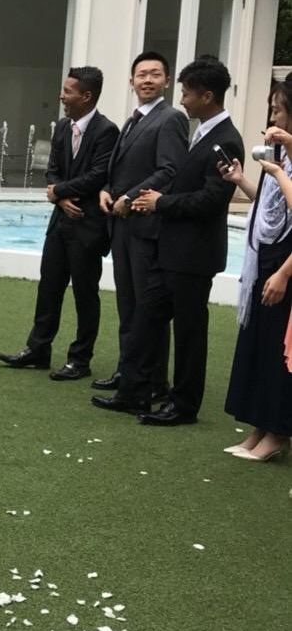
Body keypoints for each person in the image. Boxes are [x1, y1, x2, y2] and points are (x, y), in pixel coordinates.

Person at [95, 57, 244, 425]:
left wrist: (161, 202)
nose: (182, 99)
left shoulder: (226, 140)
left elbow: (213, 200)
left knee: (190, 333)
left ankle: (184, 406)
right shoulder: (203, 132)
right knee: (146, 320)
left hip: (195, 256)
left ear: (207, 96)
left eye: (187, 93)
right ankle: (134, 392)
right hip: (171, 250)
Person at [0, 66, 119, 380]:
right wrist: (59, 198)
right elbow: (52, 169)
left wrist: (59, 191)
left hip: (87, 226)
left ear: (86, 96)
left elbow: (99, 175)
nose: (61, 96)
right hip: (60, 222)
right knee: (49, 287)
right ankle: (38, 349)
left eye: (67, 91)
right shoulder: (63, 127)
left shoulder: (107, 131)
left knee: (85, 294)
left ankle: (80, 360)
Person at [92, 50, 188, 397]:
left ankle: (154, 382)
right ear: (131, 81)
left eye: (155, 74)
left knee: (149, 308)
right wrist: (106, 189)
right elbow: (121, 168)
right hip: (122, 226)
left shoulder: (171, 119)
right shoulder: (132, 120)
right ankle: (128, 371)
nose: (147, 80)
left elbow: (170, 170)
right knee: (128, 304)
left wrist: (130, 197)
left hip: (146, 227)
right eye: (142, 74)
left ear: (167, 81)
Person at [220, 82, 292, 461]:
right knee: (260, 345)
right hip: (265, 256)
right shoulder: (278, 158)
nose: (272, 118)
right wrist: (241, 181)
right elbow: (267, 209)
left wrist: (284, 273)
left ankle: (277, 432)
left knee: (279, 351)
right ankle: (259, 427)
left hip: (285, 263)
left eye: (278, 110)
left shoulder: (282, 162)